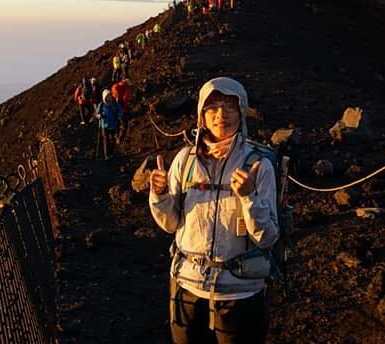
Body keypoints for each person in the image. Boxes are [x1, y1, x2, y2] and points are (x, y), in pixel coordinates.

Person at [149, 77, 278, 344]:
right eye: (213, 107)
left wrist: (249, 197)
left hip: (239, 294)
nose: (222, 115)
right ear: (201, 116)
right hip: (187, 287)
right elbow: (170, 224)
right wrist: (159, 195)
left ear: (242, 111)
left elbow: (267, 237)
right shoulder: (185, 161)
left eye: (230, 107)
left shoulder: (258, 164)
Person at [95, 89, 122, 159]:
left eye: (110, 95)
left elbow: (120, 111)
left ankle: (111, 153)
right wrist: (99, 116)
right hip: (104, 125)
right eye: (108, 96)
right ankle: (106, 155)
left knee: (112, 139)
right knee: (106, 139)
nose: (109, 97)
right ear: (104, 96)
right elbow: (97, 114)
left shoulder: (115, 103)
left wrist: (118, 116)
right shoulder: (101, 105)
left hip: (113, 124)